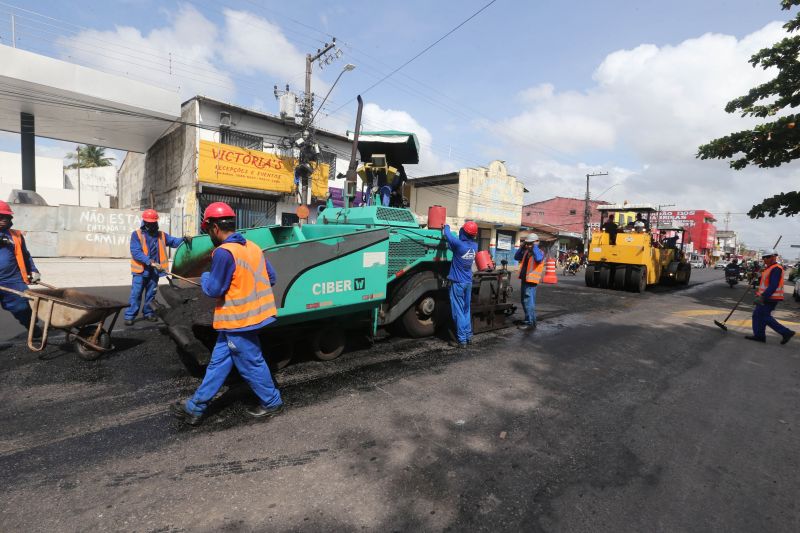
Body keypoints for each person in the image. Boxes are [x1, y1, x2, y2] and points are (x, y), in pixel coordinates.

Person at [173, 202, 283, 426]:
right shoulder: (253, 247)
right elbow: (270, 278)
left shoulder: (224, 253)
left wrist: (203, 278)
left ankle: (272, 402)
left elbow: (214, 289)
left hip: (238, 321)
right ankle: (195, 407)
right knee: (218, 363)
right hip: (246, 319)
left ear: (214, 228)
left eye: (207, 230)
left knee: (251, 364)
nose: (209, 235)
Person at [125, 209, 187, 326]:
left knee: (151, 294)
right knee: (136, 294)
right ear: (145, 223)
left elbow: (173, 241)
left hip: (154, 272)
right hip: (141, 271)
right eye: (150, 223)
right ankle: (130, 315)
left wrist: (183, 240)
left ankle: (148, 313)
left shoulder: (161, 235)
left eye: (154, 223)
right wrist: (150, 262)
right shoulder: (136, 235)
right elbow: (136, 252)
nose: (153, 225)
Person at [0, 201, 42, 336]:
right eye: (0, 216)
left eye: (6, 217)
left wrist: (33, 270)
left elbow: (25, 255)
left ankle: (32, 327)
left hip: (12, 279)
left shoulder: (15, 236)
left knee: (24, 306)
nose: (4, 220)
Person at [745, 250, 795, 345]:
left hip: (770, 297)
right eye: (763, 257)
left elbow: (773, 285)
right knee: (757, 315)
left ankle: (786, 332)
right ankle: (759, 336)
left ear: (773, 257)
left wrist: (762, 297)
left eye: (766, 257)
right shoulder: (769, 268)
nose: (764, 259)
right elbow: (765, 282)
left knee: (764, 316)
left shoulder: (776, 268)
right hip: (766, 297)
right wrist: (758, 276)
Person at [442, 220, 478, 348]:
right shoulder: (474, 246)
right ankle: (468, 336)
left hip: (458, 283)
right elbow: (453, 245)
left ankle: (461, 340)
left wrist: (446, 225)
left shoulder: (459, 244)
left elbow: (447, 234)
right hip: (468, 282)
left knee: (458, 312)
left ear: (464, 232)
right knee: (466, 310)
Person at [514, 233, 544, 331]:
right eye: (527, 243)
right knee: (524, 301)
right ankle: (528, 320)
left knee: (528, 301)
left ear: (536, 243)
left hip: (531, 281)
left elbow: (539, 259)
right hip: (525, 279)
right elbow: (516, 257)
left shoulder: (539, 252)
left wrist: (534, 246)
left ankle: (530, 323)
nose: (528, 245)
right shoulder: (526, 252)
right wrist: (522, 247)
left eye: (530, 243)